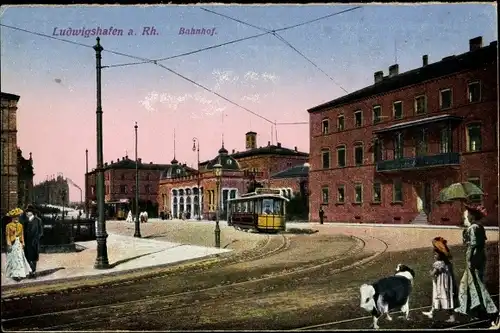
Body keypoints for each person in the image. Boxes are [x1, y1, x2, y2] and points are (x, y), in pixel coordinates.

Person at [454, 204, 498, 322]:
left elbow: (473, 245)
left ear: (472, 216)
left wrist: (469, 260)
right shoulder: (479, 227)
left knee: (475, 283)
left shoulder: (473, 227)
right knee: (465, 283)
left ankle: (485, 308)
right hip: (479, 257)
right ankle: (466, 307)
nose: (466, 216)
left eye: (467, 214)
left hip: (474, 258)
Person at [422, 236, 458, 322]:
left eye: (435, 254)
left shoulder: (438, 263)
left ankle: (451, 317)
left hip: (441, 284)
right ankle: (433, 312)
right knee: (445, 297)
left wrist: (430, 272)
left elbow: (433, 273)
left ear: (440, 255)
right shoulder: (447, 263)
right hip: (448, 283)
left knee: (440, 297)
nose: (434, 256)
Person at [4, 208, 32, 281]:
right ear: (12, 218)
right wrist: (9, 244)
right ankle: (14, 274)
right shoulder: (8, 226)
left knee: (19, 258)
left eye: (17, 217)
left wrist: (23, 242)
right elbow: (7, 235)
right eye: (14, 217)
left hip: (18, 243)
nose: (16, 218)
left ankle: (20, 274)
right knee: (13, 258)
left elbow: (22, 234)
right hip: (12, 243)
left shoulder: (20, 225)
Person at [23, 205, 44, 278]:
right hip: (27, 242)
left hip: (34, 242)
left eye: (28, 212)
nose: (27, 213)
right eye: (26, 212)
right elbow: (24, 232)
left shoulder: (38, 220)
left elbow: (41, 232)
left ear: (32, 212)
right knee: (27, 257)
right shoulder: (26, 222)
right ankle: (30, 271)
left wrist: (36, 239)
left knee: (34, 258)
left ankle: (33, 271)